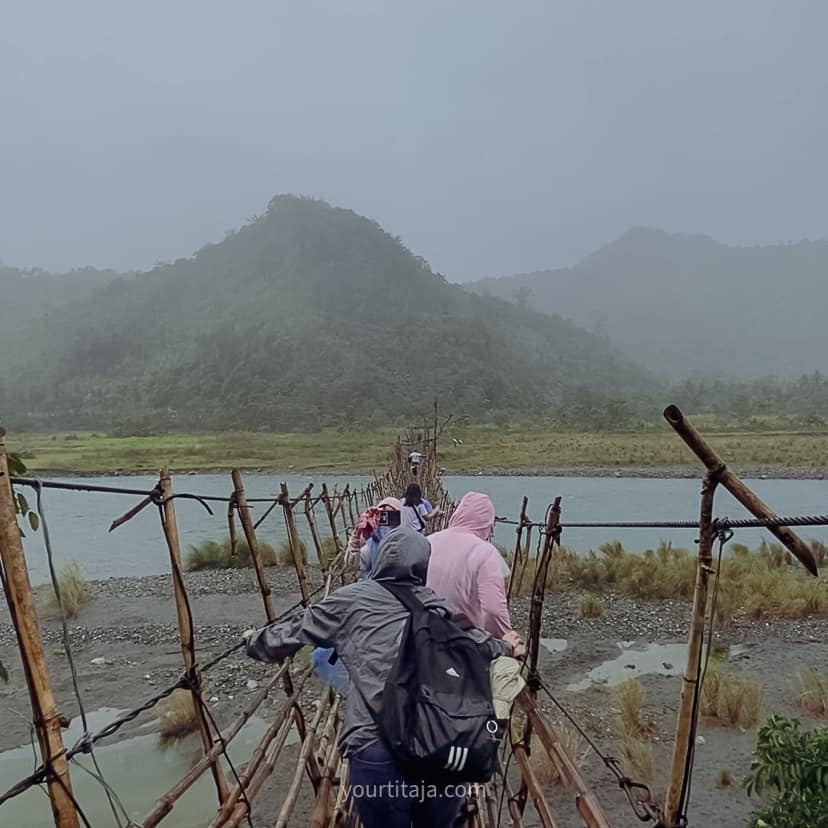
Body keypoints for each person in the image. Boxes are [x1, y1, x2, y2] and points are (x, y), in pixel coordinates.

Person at [244, 528, 523, 828]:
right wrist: (509, 645)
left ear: (379, 561)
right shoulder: (440, 606)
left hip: (375, 749)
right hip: (439, 746)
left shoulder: (349, 601)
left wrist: (252, 640)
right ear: (423, 566)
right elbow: (481, 646)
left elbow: (289, 634)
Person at [426, 492, 512, 638]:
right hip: (464, 643)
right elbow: (493, 610)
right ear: (487, 524)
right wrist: (505, 638)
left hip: (424, 637)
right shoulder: (485, 552)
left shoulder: (427, 542)